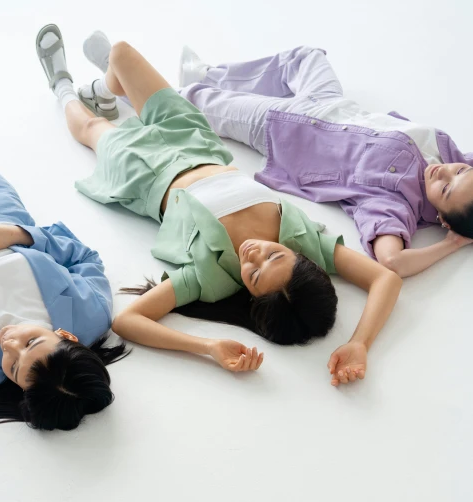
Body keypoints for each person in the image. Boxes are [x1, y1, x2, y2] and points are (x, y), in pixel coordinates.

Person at [37, 26, 402, 386]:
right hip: (194, 140)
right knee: (120, 52)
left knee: (93, 128)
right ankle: (105, 87)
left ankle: (62, 86)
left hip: (141, 170)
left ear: (250, 296)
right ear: (299, 259)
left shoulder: (210, 279)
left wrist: (208, 347)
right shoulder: (309, 243)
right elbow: (385, 278)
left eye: (253, 275)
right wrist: (359, 342)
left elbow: (128, 320)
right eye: (275, 256)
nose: (253, 254)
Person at [174, 45, 473, 278]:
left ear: (444, 219)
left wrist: (452, 243)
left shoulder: (395, 202)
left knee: (193, 101)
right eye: (459, 171)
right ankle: (206, 74)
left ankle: (137, 94)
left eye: (445, 190)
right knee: (305, 57)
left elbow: (392, 261)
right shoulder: (452, 158)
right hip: (328, 102)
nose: (442, 172)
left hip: (282, 129)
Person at [0, 130, 127, 431]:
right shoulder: (92, 313)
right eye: (31, 341)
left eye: (14, 368)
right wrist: (22, 235)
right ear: (66, 336)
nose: (9, 343)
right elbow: (85, 259)